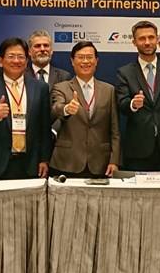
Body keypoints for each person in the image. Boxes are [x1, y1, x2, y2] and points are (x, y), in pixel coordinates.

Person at [0, 37, 52, 179]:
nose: (16, 61)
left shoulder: (40, 88)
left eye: (20, 57)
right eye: (11, 56)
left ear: (26, 61)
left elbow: (44, 127)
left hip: (30, 164)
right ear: (0, 61)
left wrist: (44, 159)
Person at [116, 21, 160, 171]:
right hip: (138, 149)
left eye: (151, 37)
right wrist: (133, 105)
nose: (147, 42)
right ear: (134, 42)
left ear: (157, 40)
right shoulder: (125, 72)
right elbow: (121, 104)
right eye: (142, 38)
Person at [51, 41, 120, 178]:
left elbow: (115, 130)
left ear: (96, 61)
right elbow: (55, 108)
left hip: (101, 163)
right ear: (72, 61)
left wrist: (114, 160)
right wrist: (66, 109)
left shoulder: (109, 90)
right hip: (69, 162)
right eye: (81, 57)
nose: (85, 61)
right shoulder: (61, 87)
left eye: (89, 57)